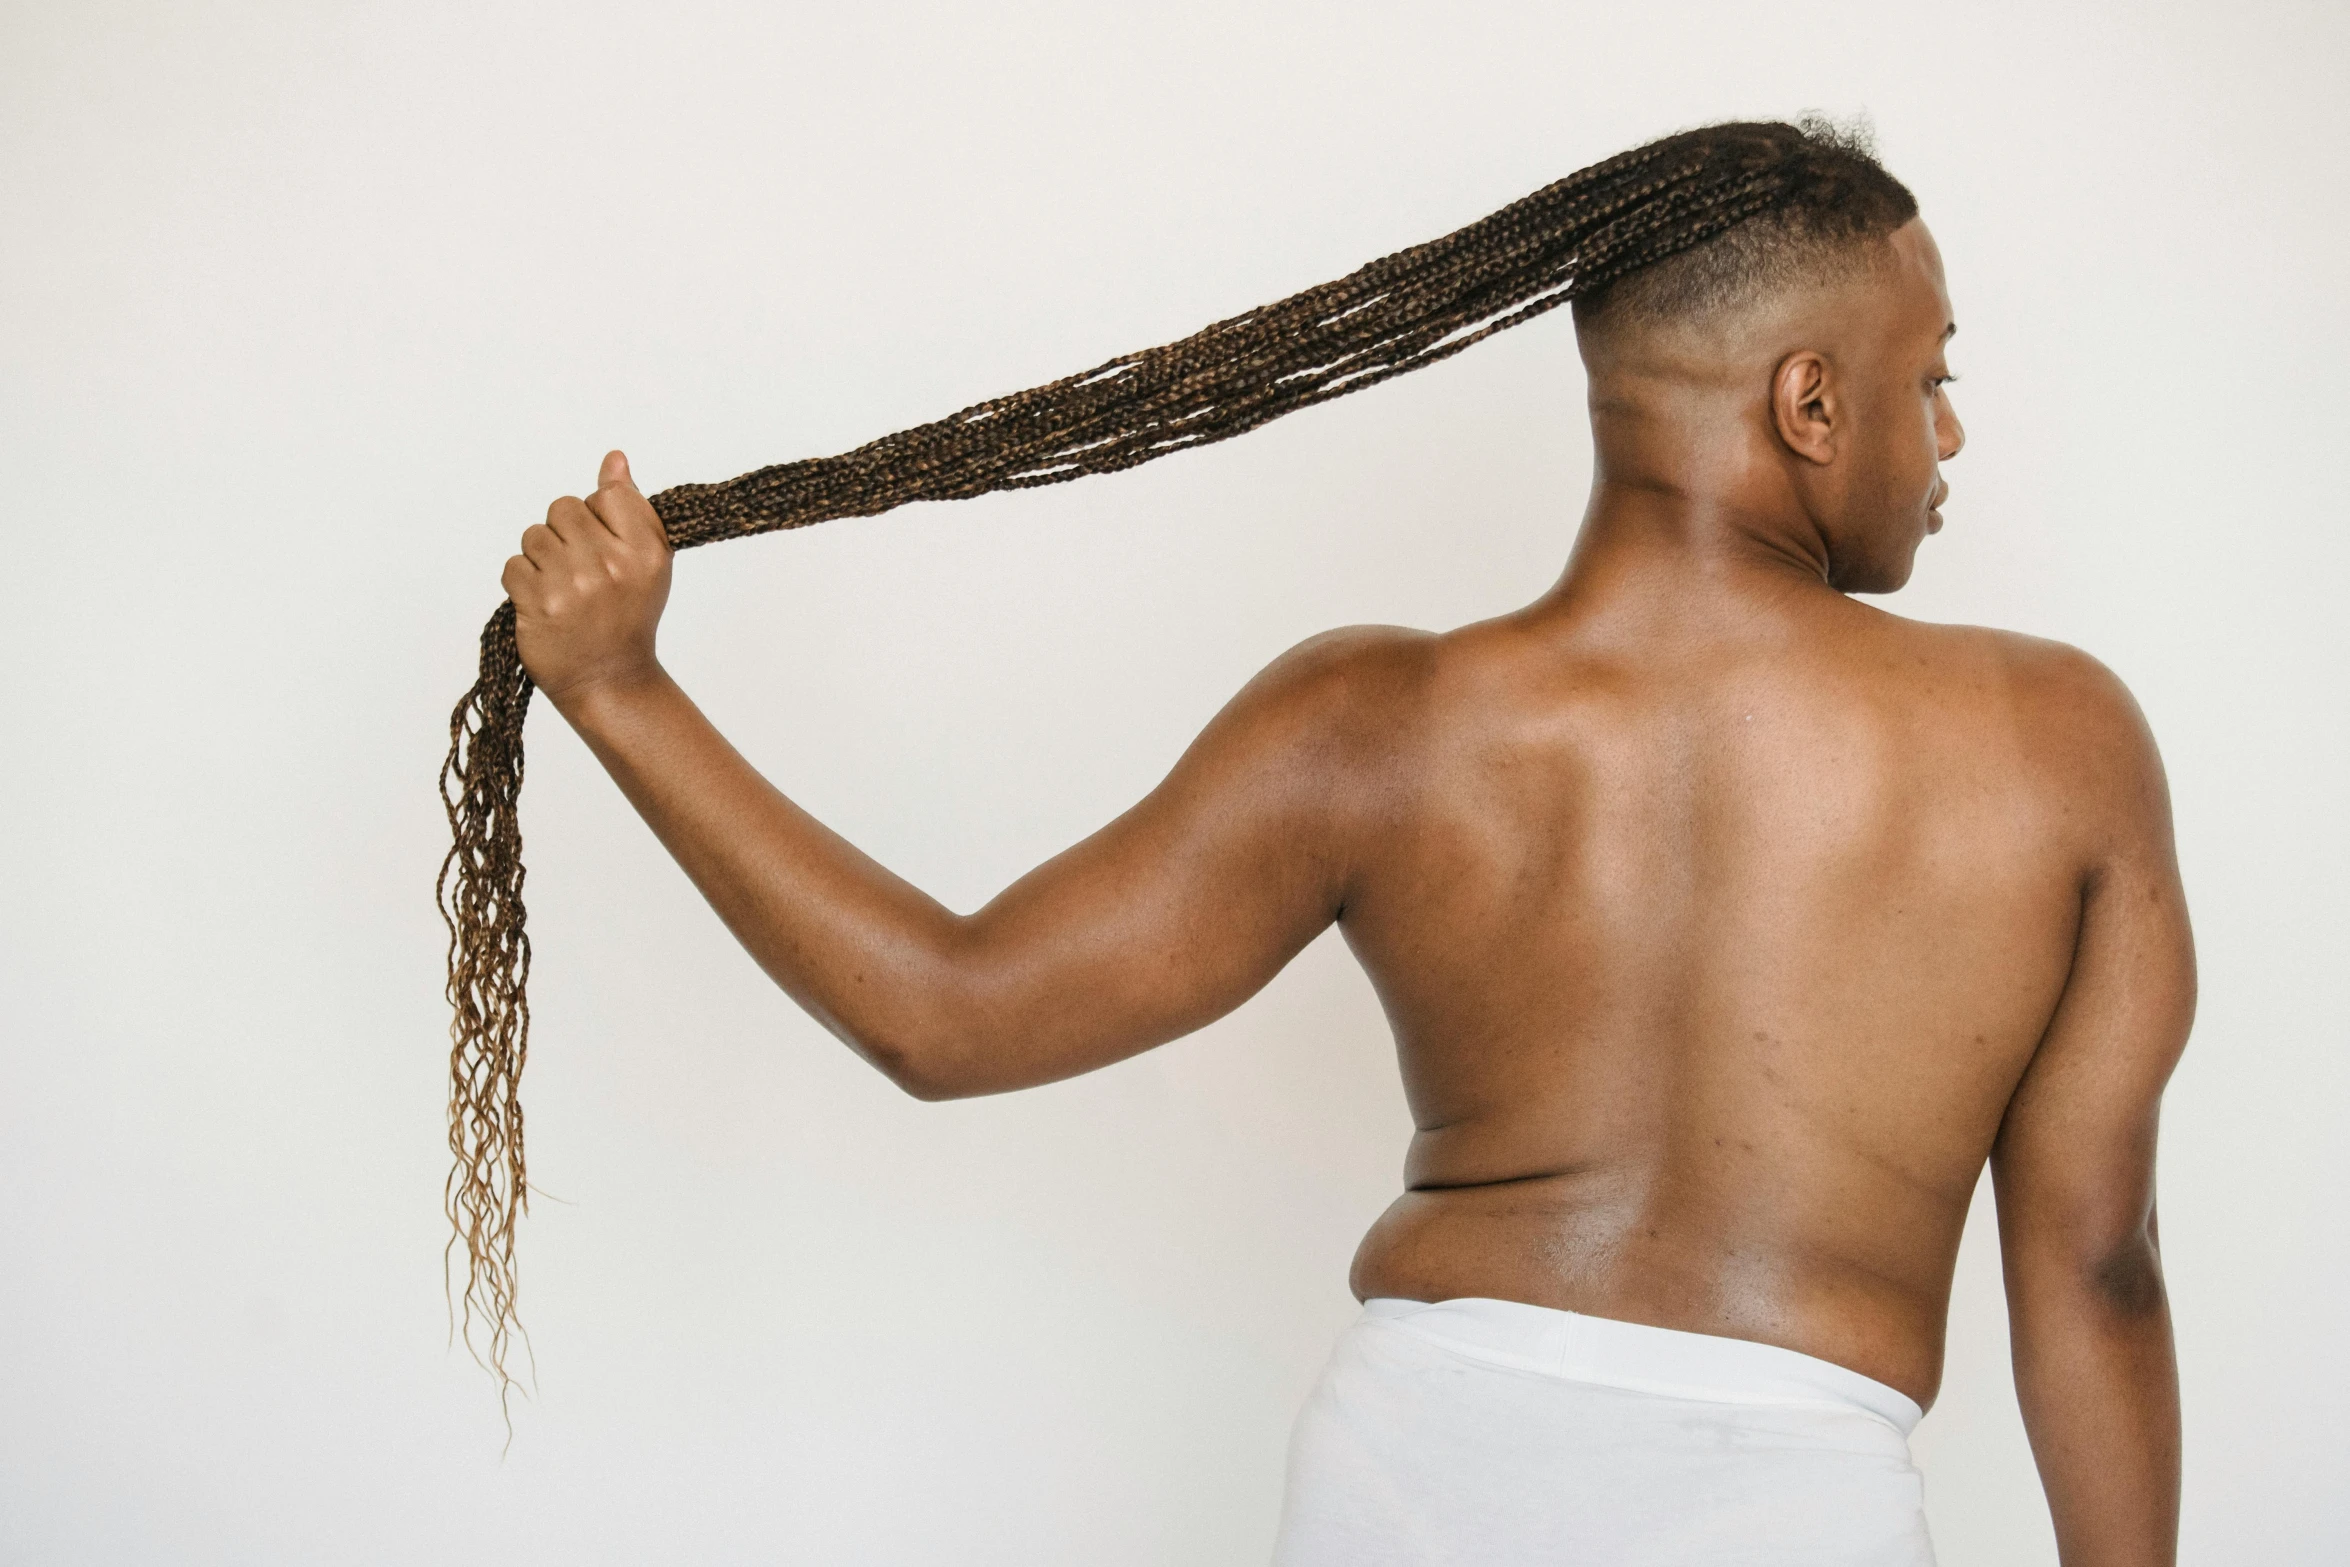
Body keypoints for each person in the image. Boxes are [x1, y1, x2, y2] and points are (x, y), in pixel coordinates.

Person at [498, 129, 2190, 1565]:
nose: (1949, 433)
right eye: (1932, 377)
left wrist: (626, 691)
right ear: (1808, 402)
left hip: (1416, 1474)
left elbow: (946, 1012)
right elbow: (2094, 1265)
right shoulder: (2056, 746)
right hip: (1789, 1495)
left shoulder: (1373, 720)